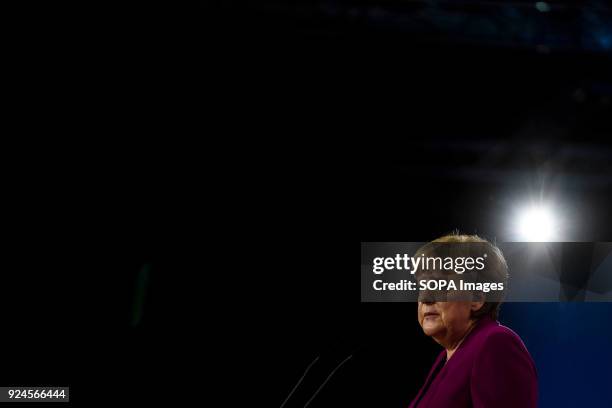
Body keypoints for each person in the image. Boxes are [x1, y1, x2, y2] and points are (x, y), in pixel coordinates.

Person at [408, 234, 537, 408]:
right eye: (422, 286)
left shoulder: (496, 344)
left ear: (477, 298)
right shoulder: (446, 357)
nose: (425, 298)